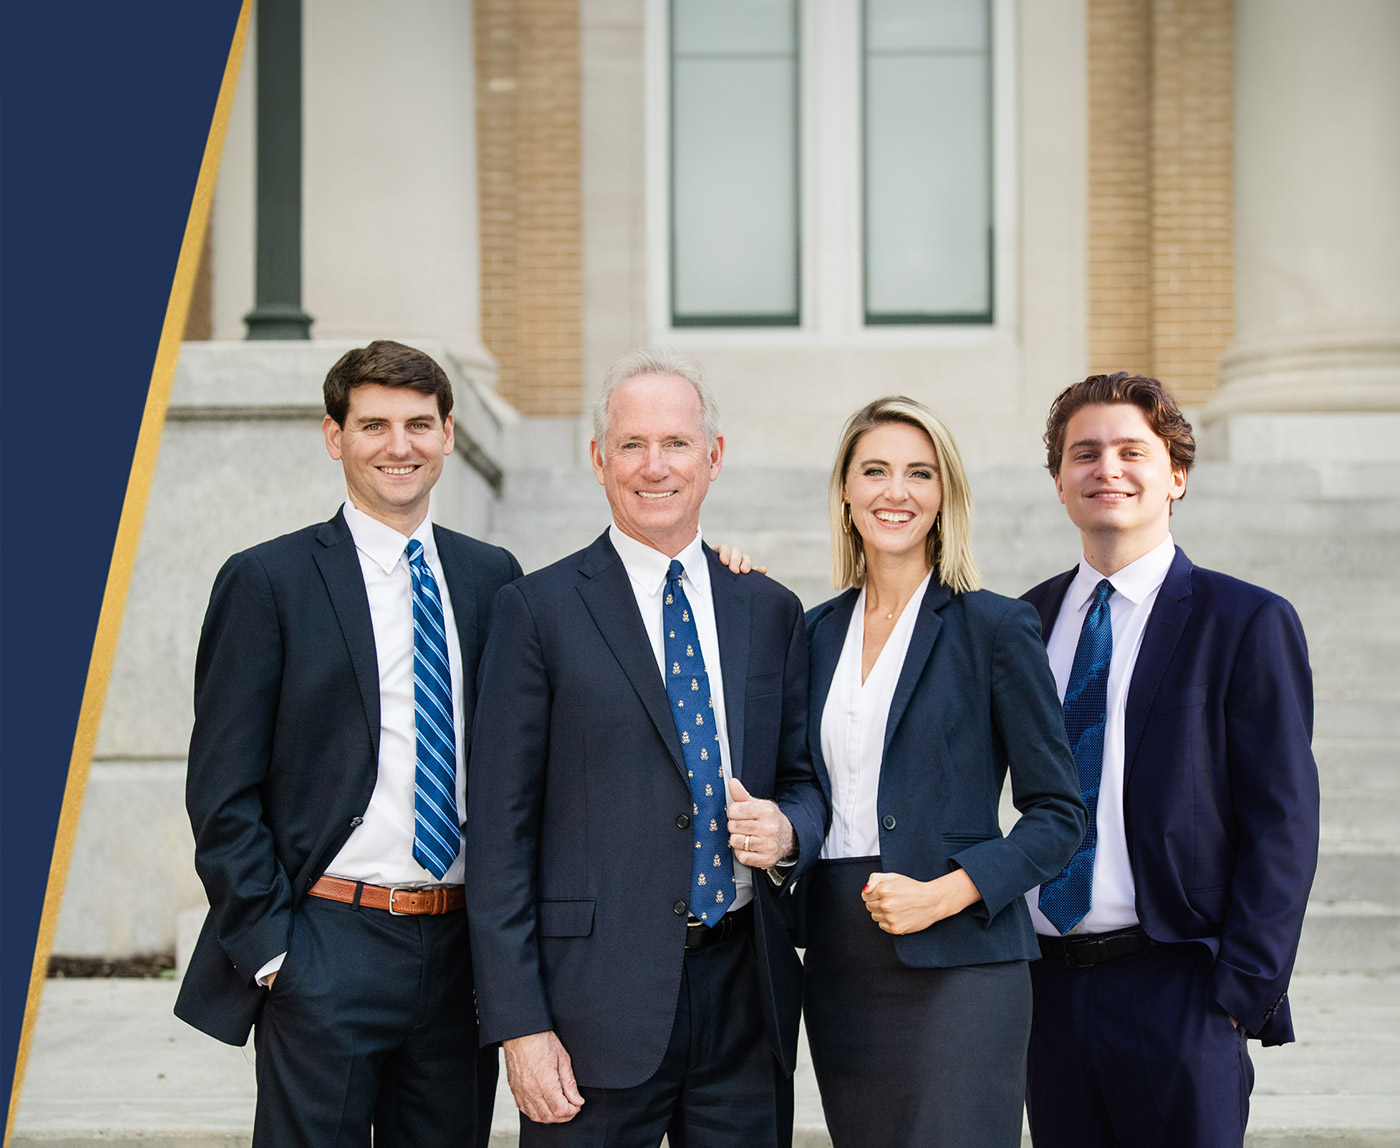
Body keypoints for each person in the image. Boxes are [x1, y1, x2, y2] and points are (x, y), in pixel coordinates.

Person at [464, 348, 828, 1148]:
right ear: (598, 460)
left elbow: (804, 779)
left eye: (676, 444)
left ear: (714, 458)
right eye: (631, 445)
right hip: (589, 1012)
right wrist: (520, 1026)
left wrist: (791, 829)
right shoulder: (537, 610)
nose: (653, 466)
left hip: (745, 998)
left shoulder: (768, 609)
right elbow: (498, 833)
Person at [175, 340, 520, 1146]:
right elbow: (221, 791)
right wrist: (274, 953)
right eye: (373, 425)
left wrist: (712, 567)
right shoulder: (268, 581)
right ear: (335, 437)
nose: (399, 446)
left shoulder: (492, 577)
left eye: (418, 425)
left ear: (446, 434)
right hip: (329, 944)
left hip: (462, 951)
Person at [1022, 372, 1320, 1148]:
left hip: (1178, 987)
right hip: (1045, 988)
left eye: (1131, 450)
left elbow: (1282, 819)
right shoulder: (1024, 623)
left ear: (1175, 475)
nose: (1106, 469)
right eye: (1083, 454)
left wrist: (1239, 991)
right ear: (1059, 482)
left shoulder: (1245, 622)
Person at [801, 396, 1087, 1148]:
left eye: (919, 474)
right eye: (875, 471)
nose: (896, 492)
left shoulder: (995, 626)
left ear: (944, 495)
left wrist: (949, 892)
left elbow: (1060, 814)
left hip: (964, 960)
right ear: (845, 490)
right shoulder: (811, 633)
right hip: (840, 962)